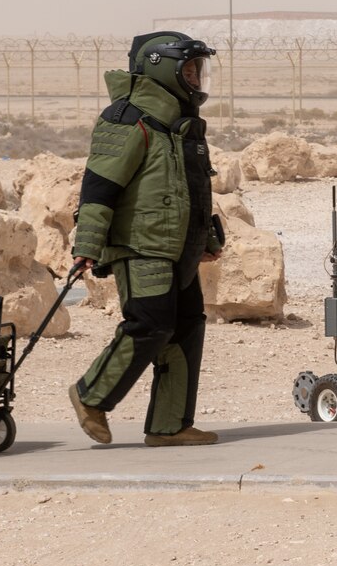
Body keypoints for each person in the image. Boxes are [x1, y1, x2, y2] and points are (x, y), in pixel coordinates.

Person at [67, 32, 225, 447]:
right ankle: (91, 397)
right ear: (161, 67)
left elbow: (193, 187)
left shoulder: (182, 123)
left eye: (197, 70)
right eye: (187, 70)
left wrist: (205, 237)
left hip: (180, 246)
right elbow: (99, 185)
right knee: (150, 325)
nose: (195, 78)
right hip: (142, 246)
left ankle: (170, 425)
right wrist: (87, 245)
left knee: (186, 327)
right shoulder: (126, 117)